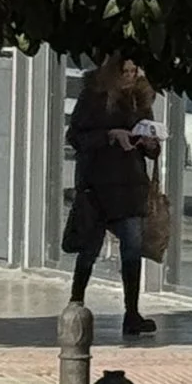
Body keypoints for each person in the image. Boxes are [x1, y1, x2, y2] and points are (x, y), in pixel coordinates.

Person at [65, 55, 163, 336]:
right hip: (98, 186)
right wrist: (110, 135)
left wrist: (149, 143)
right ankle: (75, 304)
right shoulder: (93, 96)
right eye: (126, 72)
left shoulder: (140, 99)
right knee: (89, 249)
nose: (131, 77)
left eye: (135, 71)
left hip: (130, 186)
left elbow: (152, 149)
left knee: (132, 248)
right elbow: (75, 137)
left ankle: (131, 313)